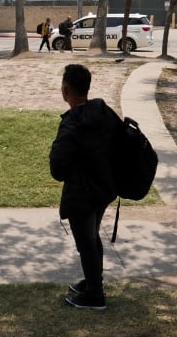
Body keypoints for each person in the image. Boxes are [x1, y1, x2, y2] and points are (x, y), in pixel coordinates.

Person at [49, 64, 119, 311]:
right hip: (104, 189)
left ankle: (95, 296)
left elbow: (57, 169)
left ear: (65, 90)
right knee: (92, 237)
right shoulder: (103, 112)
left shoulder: (72, 123)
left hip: (82, 194)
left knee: (86, 243)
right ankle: (92, 282)